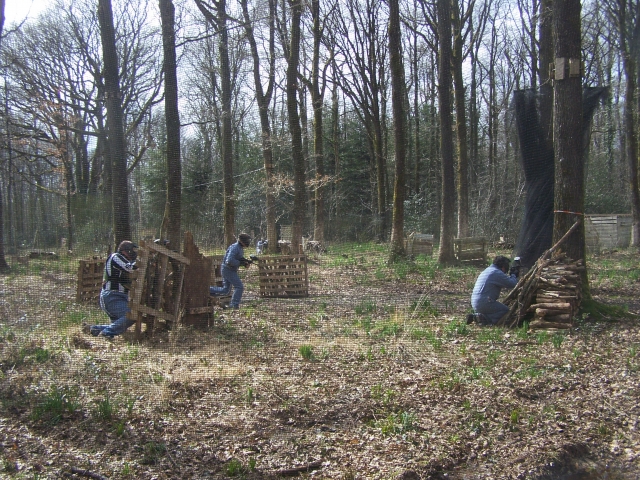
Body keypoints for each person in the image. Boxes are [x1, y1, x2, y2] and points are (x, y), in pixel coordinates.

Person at [83, 240, 139, 338]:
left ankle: (93, 329)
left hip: (120, 297)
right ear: (124, 251)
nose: (133, 253)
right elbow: (130, 268)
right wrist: (142, 260)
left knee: (119, 326)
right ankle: (105, 334)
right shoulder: (115, 257)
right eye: (131, 251)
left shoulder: (123, 259)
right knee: (132, 315)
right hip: (112, 297)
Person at [467, 255, 519, 326]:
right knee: (505, 311)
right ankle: (480, 317)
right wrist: (514, 275)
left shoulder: (488, 270)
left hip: (475, 302)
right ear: (503, 266)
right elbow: (512, 284)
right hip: (484, 302)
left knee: (495, 310)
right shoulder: (496, 273)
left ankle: (478, 317)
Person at [210, 233, 252, 309]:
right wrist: (240, 263)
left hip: (228, 269)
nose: (248, 242)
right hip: (228, 270)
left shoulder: (239, 248)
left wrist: (245, 261)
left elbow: (238, 257)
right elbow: (229, 261)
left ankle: (208, 290)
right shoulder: (235, 247)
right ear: (242, 241)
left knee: (225, 290)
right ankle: (234, 305)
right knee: (239, 287)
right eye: (247, 240)